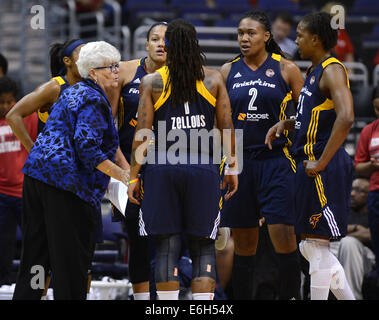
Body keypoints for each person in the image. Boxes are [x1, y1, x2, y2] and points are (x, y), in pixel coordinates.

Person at [127, 19, 238, 300]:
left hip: (163, 167)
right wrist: (233, 168)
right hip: (203, 167)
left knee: (166, 247)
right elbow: (227, 126)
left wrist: (133, 175)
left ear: (169, 45)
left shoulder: (152, 82)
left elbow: (142, 132)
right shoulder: (213, 78)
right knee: (203, 247)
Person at [12, 41, 129, 300]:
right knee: (70, 262)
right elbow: (88, 149)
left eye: (116, 65)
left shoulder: (72, 92)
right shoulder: (93, 98)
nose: (116, 71)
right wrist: (121, 175)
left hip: (37, 178)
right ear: (93, 72)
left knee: (36, 257)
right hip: (66, 186)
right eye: (109, 67)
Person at [265, 11, 356, 300]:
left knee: (316, 248)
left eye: (301, 35)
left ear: (316, 39)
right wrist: (288, 123)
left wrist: (322, 162)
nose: (297, 40)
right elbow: (317, 114)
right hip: (310, 164)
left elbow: (347, 117)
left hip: (322, 166)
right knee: (309, 247)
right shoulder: (313, 70)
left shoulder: (332, 69)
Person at [219, 10, 304, 300]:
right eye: (241, 33)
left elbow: (309, 115)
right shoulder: (228, 71)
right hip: (239, 163)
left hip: (276, 161)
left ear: (266, 36)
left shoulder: (286, 68)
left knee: (284, 236)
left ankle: (290, 296)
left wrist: (289, 123)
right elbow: (218, 119)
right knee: (244, 244)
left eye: (251, 33)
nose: (244, 38)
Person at [113, 21, 168, 300]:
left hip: (167, 167)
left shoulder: (184, 76)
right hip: (126, 164)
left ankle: (165, 298)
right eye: (155, 39)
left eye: (166, 39)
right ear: (146, 44)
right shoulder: (124, 70)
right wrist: (126, 170)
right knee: (137, 239)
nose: (161, 43)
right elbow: (106, 126)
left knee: (167, 240)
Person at [6, 39, 84, 150]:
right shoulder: (54, 87)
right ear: (67, 61)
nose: (89, 59)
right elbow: (13, 115)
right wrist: (33, 150)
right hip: (55, 163)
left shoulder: (91, 86)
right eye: (83, 54)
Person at [0, 77, 38, 286]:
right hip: (1, 193)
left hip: (25, 190)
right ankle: (3, 284)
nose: (6, 106)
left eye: (10, 101)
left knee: (34, 242)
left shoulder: (27, 117)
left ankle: (35, 285)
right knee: (2, 245)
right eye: (1, 102)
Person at [329, 177, 376, 299]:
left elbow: (371, 235)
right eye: (352, 189)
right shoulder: (343, 211)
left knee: (348, 243)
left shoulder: (373, 213)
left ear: (370, 195)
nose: (353, 193)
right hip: (336, 251)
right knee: (313, 247)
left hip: (365, 258)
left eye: (359, 191)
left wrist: (345, 235)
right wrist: (356, 228)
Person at [354, 85, 379, 283]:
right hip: (376, 194)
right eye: (376, 109)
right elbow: (358, 167)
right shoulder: (369, 131)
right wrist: (372, 165)